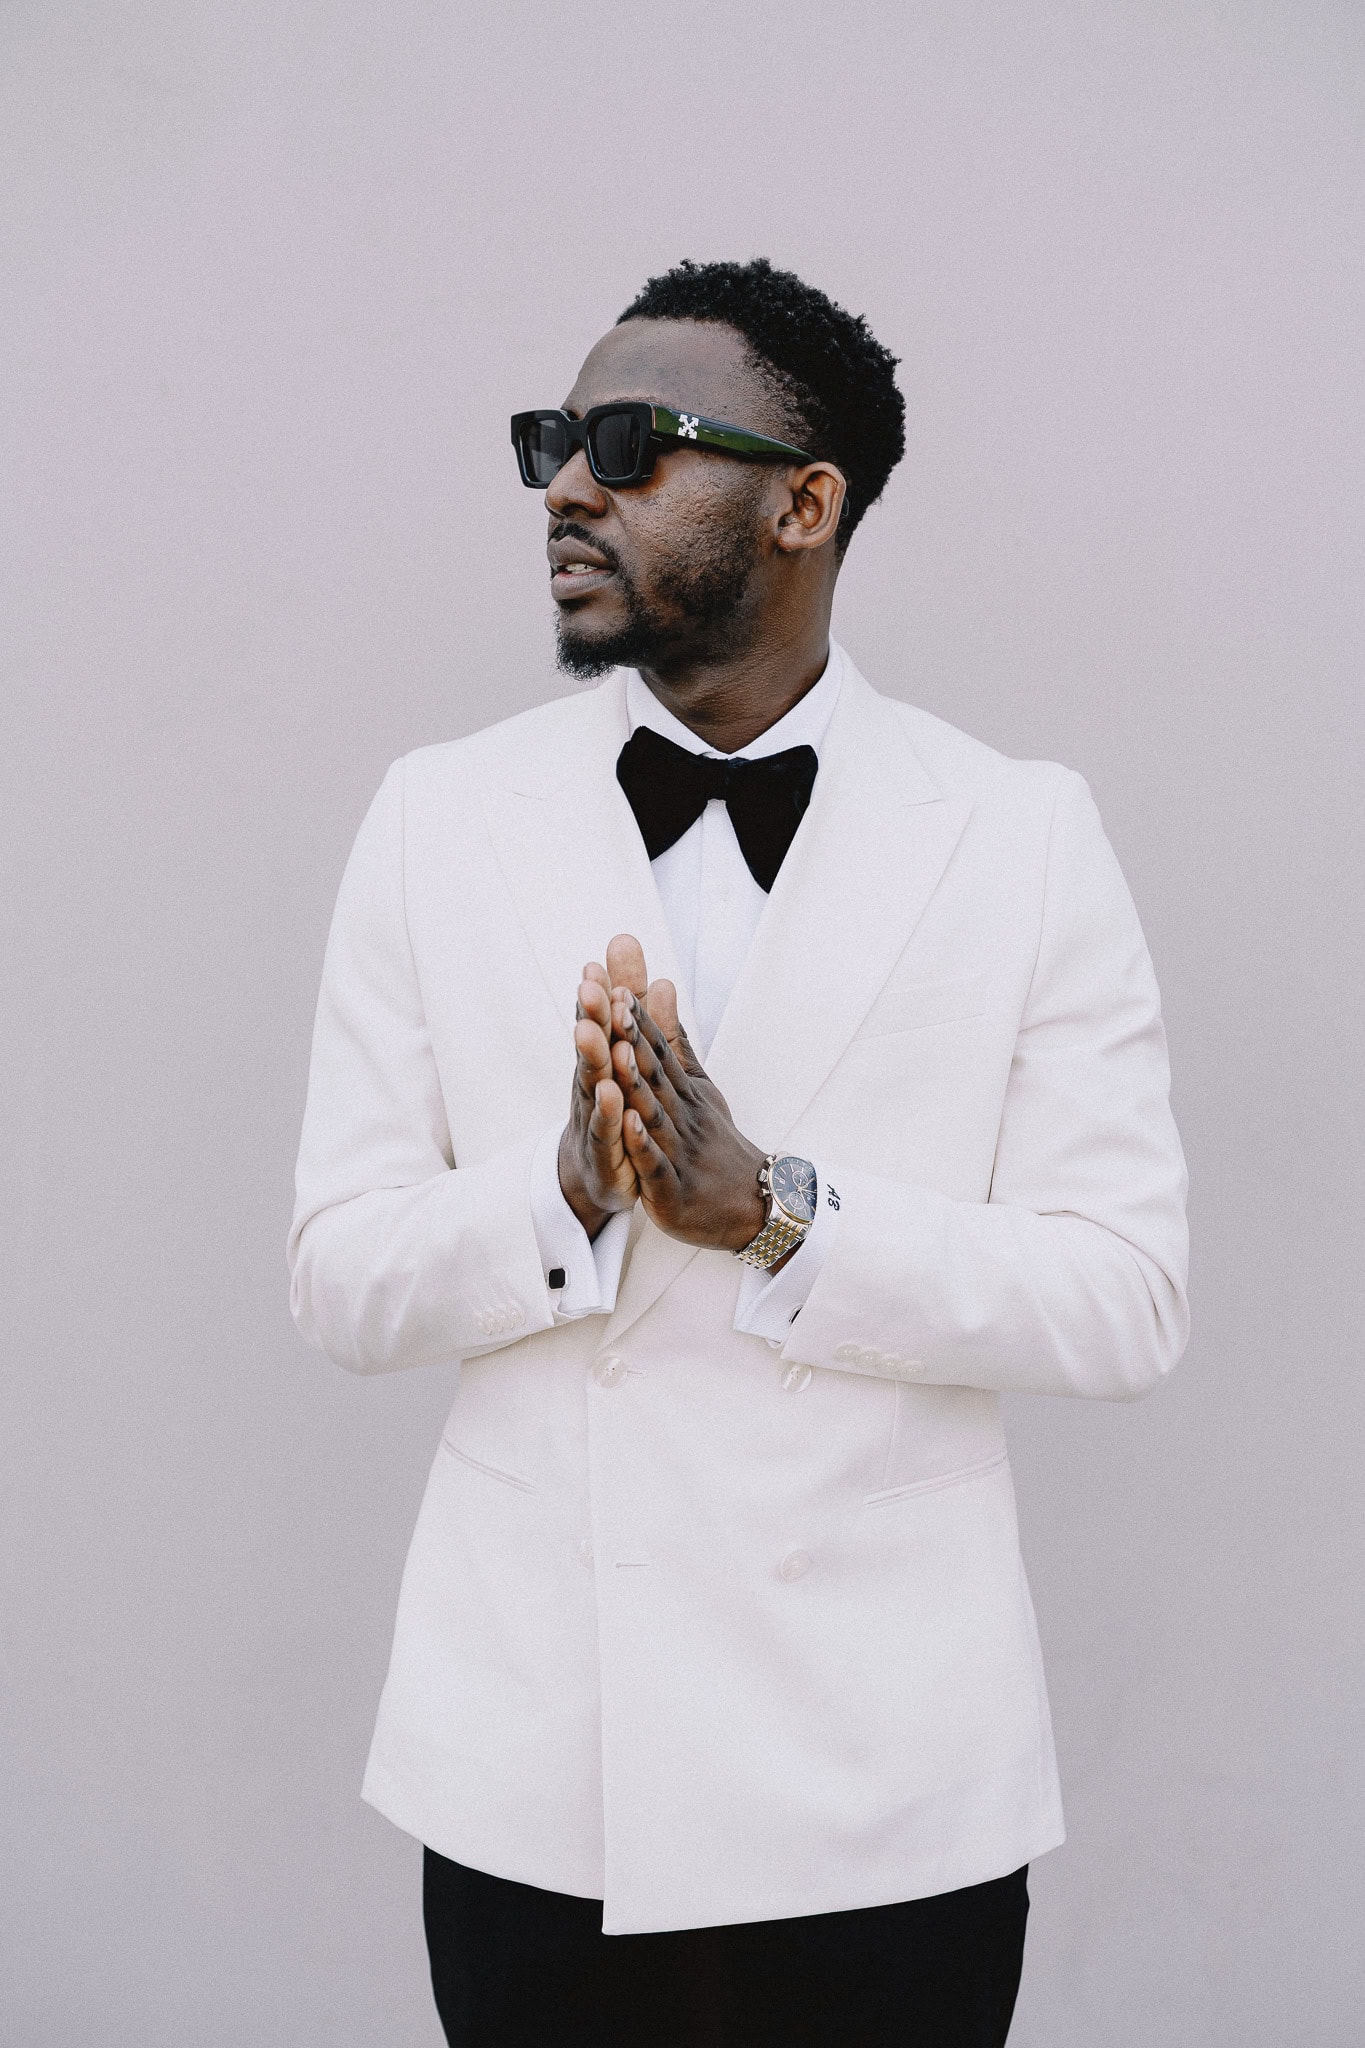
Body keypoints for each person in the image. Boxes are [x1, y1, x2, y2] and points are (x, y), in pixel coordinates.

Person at [288, 257, 1189, 2047]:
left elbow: (1124, 1298)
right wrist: (563, 1192)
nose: (566, 485)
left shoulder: (1016, 834)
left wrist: (774, 1214)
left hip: (886, 1776)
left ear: (802, 502)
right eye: (553, 442)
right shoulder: (437, 817)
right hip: (540, 1764)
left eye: (629, 445)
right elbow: (338, 1277)